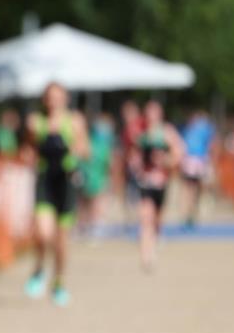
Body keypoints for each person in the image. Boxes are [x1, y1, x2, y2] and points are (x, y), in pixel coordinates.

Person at [21, 82, 89, 306]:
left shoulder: (75, 121)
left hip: (66, 182)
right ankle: (39, 268)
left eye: (57, 97)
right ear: (44, 99)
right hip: (45, 180)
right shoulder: (35, 122)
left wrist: (75, 148)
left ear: (65, 98)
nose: (53, 101)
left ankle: (58, 281)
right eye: (50, 97)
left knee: (61, 240)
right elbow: (28, 148)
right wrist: (28, 155)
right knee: (42, 233)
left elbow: (86, 149)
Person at [130, 100, 184, 271]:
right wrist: (136, 166)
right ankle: (146, 256)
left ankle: (155, 238)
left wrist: (166, 161)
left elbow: (179, 153)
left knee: (157, 219)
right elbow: (134, 154)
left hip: (161, 182)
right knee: (146, 218)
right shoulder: (141, 132)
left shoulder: (167, 132)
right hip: (145, 182)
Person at [78, 112, 115, 236]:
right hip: (91, 177)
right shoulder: (95, 142)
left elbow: (109, 164)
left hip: (95, 177)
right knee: (89, 203)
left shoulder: (100, 143)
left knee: (92, 202)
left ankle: (90, 226)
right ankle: (87, 226)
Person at [179, 109, 215, 228]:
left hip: (194, 160)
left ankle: (189, 214)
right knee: (192, 188)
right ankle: (189, 214)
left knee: (191, 188)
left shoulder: (195, 128)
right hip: (194, 160)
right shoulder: (201, 128)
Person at [119, 100, 144, 230]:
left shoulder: (139, 126)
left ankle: (141, 221)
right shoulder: (127, 128)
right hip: (130, 167)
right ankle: (130, 221)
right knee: (129, 195)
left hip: (138, 167)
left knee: (139, 195)